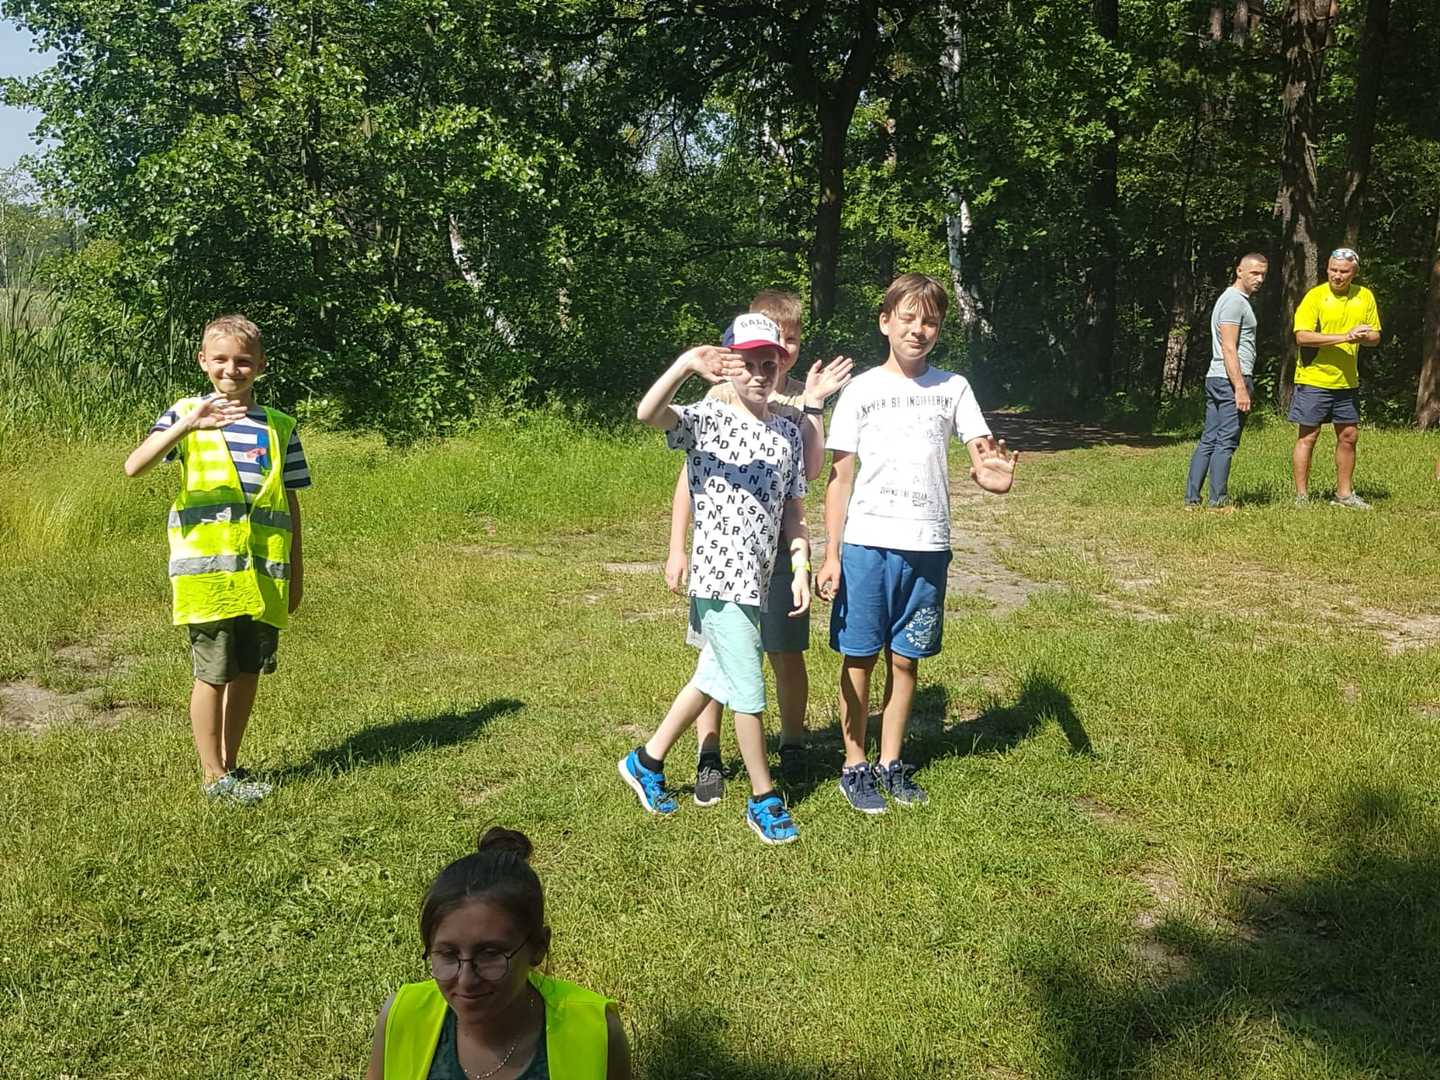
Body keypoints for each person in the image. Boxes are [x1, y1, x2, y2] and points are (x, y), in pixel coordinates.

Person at [815, 273, 1017, 814]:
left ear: (939, 329)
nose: (918, 330)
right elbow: (840, 478)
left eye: (929, 321)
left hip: (927, 545)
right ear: (885, 323)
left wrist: (991, 476)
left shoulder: (954, 388)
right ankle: (854, 764)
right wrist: (831, 554)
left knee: (906, 661)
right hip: (866, 546)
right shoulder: (861, 390)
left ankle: (891, 761)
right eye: (907, 318)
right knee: (859, 658)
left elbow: (981, 452)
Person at [621, 313, 811, 844]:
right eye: (746, 364)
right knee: (748, 690)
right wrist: (686, 363)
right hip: (719, 581)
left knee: (714, 678)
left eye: (768, 364)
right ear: (727, 366)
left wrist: (800, 566)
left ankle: (646, 760)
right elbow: (647, 413)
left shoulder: (787, 434)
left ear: (780, 366)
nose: (758, 374)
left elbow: (794, 510)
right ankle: (763, 798)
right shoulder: (706, 420)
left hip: (760, 579)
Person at [663, 289, 851, 806]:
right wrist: (677, 546)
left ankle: (791, 744)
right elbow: (688, 479)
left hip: (777, 552)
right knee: (718, 656)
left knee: (785, 651)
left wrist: (814, 406)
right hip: (723, 558)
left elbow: (808, 474)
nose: (781, 352)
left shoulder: (800, 397)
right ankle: (708, 753)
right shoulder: (723, 395)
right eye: (773, 340)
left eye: (791, 340)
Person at [123, 314, 308, 805]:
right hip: (208, 576)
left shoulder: (279, 427)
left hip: (263, 575)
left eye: (243, 360)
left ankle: (230, 764)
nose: (232, 370)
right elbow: (134, 466)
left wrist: (296, 572)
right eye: (221, 359)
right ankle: (212, 776)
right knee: (213, 671)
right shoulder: (186, 413)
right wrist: (188, 424)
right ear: (203, 361)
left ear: (261, 365)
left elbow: (289, 504)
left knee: (248, 670)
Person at [366, 827, 630, 1080]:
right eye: (448, 954)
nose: (466, 980)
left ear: (538, 947)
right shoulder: (403, 1018)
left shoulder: (595, 1032)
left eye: (489, 954)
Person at [1290, 247, 1383, 509]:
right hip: (1314, 378)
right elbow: (1302, 336)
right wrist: (1345, 337)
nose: (1337, 276)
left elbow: (1376, 337)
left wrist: (1364, 336)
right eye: (1333, 270)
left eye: (1343, 271)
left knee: (1349, 436)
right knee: (1308, 436)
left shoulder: (1364, 296)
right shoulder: (1315, 296)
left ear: (1354, 273)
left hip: (1347, 380)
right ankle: (1302, 497)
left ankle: (1344, 494)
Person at [1185, 253, 1268, 509]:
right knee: (1226, 441)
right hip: (1230, 378)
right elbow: (1229, 347)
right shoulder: (1234, 302)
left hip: (1218, 376)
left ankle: (1192, 499)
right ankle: (1218, 501)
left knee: (1210, 438)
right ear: (1239, 271)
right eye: (1254, 273)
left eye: (1263, 274)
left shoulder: (1232, 299)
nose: (1259, 279)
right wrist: (1240, 387)